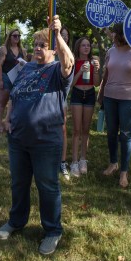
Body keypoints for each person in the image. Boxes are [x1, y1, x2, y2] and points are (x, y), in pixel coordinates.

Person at [0, 16, 73, 256]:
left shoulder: (57, 72)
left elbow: (68, 62)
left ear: (52, 48)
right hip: (18, 139)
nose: (38, 48)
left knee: (47, 186)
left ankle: (52, 230)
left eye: (43, 45)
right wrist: (7, 119)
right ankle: (16, 221)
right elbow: (13, 95)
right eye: (36, 44)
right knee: (19, 183)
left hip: (46, 141)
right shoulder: (25, 67)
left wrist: (58, 35)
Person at [97, 22, 131, 189]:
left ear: (121, 35)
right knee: (111, 132)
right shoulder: (111, 51)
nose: (112, 36)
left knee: (125, 134)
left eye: (114, 34)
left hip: (130, 98)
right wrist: (101, 93)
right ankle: (113, 163)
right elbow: (106, 74)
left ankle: (124, 172)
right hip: (110, 96)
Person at [69, 36, 100, 177]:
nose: (86, 47)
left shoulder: (94, 61)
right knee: (77, 130)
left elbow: (97, 83)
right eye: (83, 45)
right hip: (77, 93)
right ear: (78, 47)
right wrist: (80, 70)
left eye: (88, 45)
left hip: (89, 94)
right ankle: (74, 162)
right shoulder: (73, 62)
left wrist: (96, 70)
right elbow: (71, 84)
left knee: (86, 129)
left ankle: (83, 159)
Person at [0, 29, 27, 133]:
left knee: (15, 103)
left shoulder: (22, 50)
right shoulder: (4, 49)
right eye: (14, 36)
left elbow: (26, 64)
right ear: (10, 37)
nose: (17, 38)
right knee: (2, 102)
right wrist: (0, 80)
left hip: (18, 79)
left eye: (18, 36)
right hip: (5, 77)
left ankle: (11, 123)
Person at [59, 25, 71, 179]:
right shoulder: (50, 53)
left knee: (62, 130)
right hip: (46, 99)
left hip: (61, 98)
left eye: (66, 35)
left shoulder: (69, 55)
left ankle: (62, 162)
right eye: (62, 34)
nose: (64, 37)